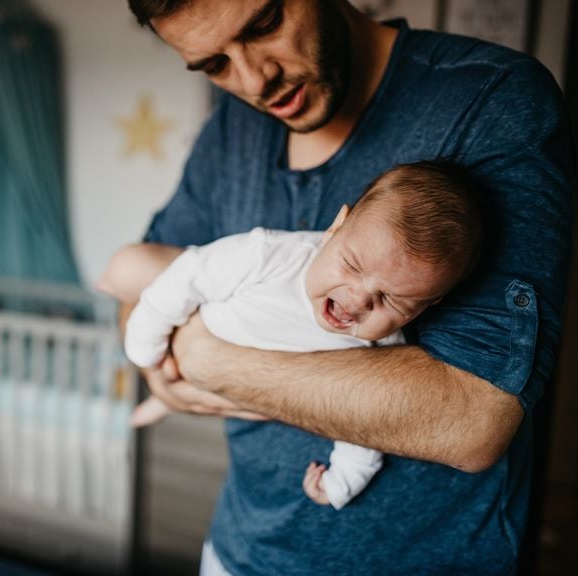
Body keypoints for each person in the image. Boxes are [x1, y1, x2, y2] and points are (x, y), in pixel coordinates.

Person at [122, 0, 574, 573]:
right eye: (214, 65)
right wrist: (152, 362)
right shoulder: (230, 130)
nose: (255, 79)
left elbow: (472, 421)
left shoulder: (491, 100)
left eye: (263, 25)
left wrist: (201, 356)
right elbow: (142, 282)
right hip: (241, 550)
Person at [101, 161, 482, 510]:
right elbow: (190, 276)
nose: (358, 299)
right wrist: (145, 345)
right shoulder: (272, 254)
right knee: (133, 269)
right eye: (351, 265)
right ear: (336, 228)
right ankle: (166, 393)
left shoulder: (381, 346)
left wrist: (344, 480)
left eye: (391, 300)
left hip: (244, 383)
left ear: (425, 306)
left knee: (211, 387)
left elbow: (364, 419)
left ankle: (169, 398)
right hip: (206, 319)